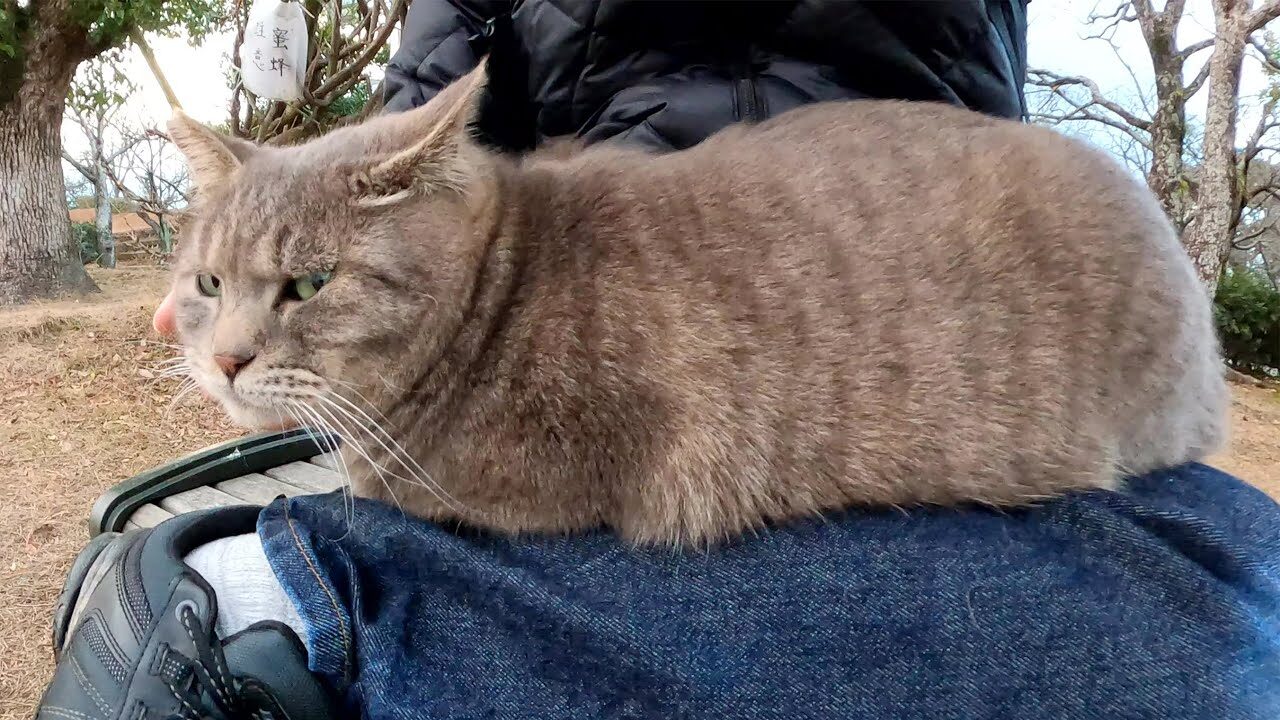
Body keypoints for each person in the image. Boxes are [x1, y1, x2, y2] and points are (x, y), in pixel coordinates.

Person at [36, 2, 1280, 719]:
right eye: (208, 299)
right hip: (824, 201)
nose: (231, 342)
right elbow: (426, 113)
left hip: (970, 307)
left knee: (200, 631)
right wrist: (260, 258)